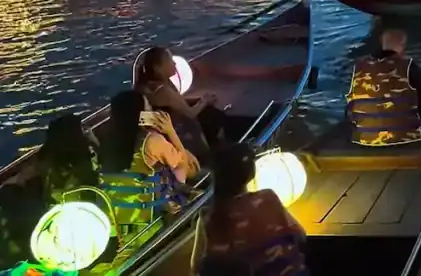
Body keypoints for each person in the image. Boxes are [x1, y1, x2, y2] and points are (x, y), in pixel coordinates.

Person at [201, 143, 307, 275]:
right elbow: (301, 235)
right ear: (251, 172)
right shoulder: (268, 198)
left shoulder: (211, 217)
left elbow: (205, 266)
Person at [100, 91, 193, 232]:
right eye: (149, 109)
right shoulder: (152, 141)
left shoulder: (106, 142)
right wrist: (170, 131)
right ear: (142, 115)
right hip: (150, 225)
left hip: (113, 226)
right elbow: (182, 168)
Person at [346, 30, 421, 146]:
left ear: (382, 43)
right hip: (407, 136)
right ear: (402, 45)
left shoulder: (359, 67)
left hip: (364, 138)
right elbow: (420, 103)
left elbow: (350, 109)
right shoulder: (408, 65)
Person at [133, 46, 224, 166]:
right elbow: (190, 113)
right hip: (177, 136)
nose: (175, 63)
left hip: (162, 132)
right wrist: (205, 101)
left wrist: (197, 100)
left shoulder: (145, 86)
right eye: (170, 60)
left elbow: (176, 103)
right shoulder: (163, 91)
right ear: (158, 68)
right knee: (213, 116)